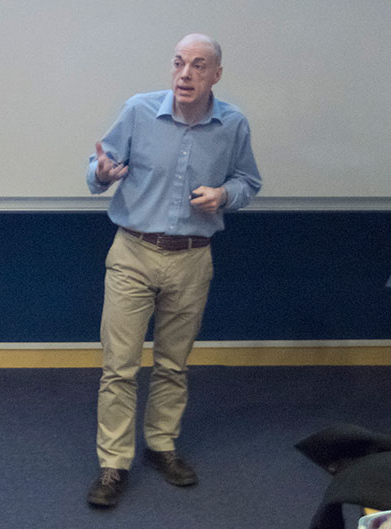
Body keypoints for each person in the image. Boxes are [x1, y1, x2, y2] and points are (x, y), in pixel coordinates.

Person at [85, 33, 262, 507]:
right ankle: (114, 463)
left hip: (192, 256)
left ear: (216, 75)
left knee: (172, 364)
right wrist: (101, 175)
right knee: (118, 367)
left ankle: (161, 445)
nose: (186, 74)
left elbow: (248, 180)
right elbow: (96, 170)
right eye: (179, 63)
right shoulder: (139, 111)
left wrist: (225, 196)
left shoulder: (233, 124)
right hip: (133, 253)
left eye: (198, 65)